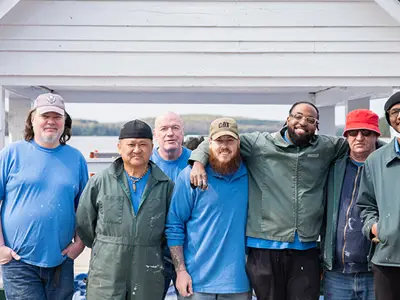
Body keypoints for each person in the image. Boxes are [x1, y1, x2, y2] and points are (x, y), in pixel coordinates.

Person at [189, 102, 348, 300]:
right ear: (287, 119)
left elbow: (361, 145)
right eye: (298, 117)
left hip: (306, 248)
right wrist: (197, 163)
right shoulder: (260, 144)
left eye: (310, 120)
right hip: (264, 249)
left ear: (317, 126)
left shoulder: (327, 147)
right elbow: (217, 141)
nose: (302, 123)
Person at [0, 93, 88, 300]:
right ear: (32, 119)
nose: (51, 121)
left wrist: (79, 244)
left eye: (57, 117)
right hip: (18, 260)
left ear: (64, 122)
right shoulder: (11, 153)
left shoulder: (76, 159)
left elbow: (84, 208)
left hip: (62, 259)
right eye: (44, 116)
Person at [76, 119, 174, 300]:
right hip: (106, 276)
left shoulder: (165, 186)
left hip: (148, 274)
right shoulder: (100, 182)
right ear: (119, 147)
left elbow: (170, 230)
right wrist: (110, 247)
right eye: (131, 144)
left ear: (152, 148)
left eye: (143, 145)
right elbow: (84, 225)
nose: (137, 150)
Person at [166, 118, 251, 300]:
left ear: (239, 143)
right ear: (209, 143)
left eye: (230, 141)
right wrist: (180, 271)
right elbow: (174, 225)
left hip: (239, 282)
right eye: (219, 141)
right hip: (196, 282)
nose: (224, 146)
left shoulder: (252, 175)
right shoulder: (190, 176)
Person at [322, 109, 381, 300]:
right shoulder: (332, 167)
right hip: (337, 273)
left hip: (377, 272)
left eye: (366, 132)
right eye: (353, 133)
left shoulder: (390, 167)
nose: (359, 137)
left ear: (376, 135)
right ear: (346, 136)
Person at [357, 92, 400, 300]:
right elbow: (366, 205)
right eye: (395, 111)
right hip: (387, 260)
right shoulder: (375, 160)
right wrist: (375, 228)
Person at [151, 112, 192, 298]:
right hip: (153, 252)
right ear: (155, 134)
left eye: (175, 128)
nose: (170, 133)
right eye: (164, 128)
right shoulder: (144, 163)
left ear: (183, 133)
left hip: (189, 251)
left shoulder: (197, 162)